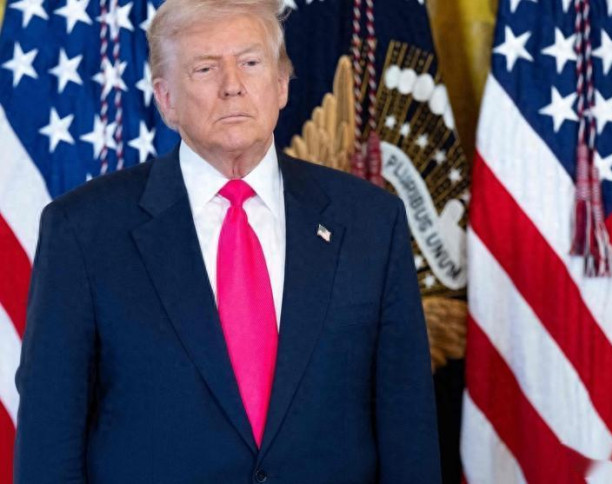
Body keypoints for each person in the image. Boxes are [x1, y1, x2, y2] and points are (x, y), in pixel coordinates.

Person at [13, 0, 441, 482]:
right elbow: (49, 438)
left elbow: (408, 427)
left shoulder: (370, 221)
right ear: (166, 98)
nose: (232, 85)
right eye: (205, 68)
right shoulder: (83, 230)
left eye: (251, 62)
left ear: (282, 84)